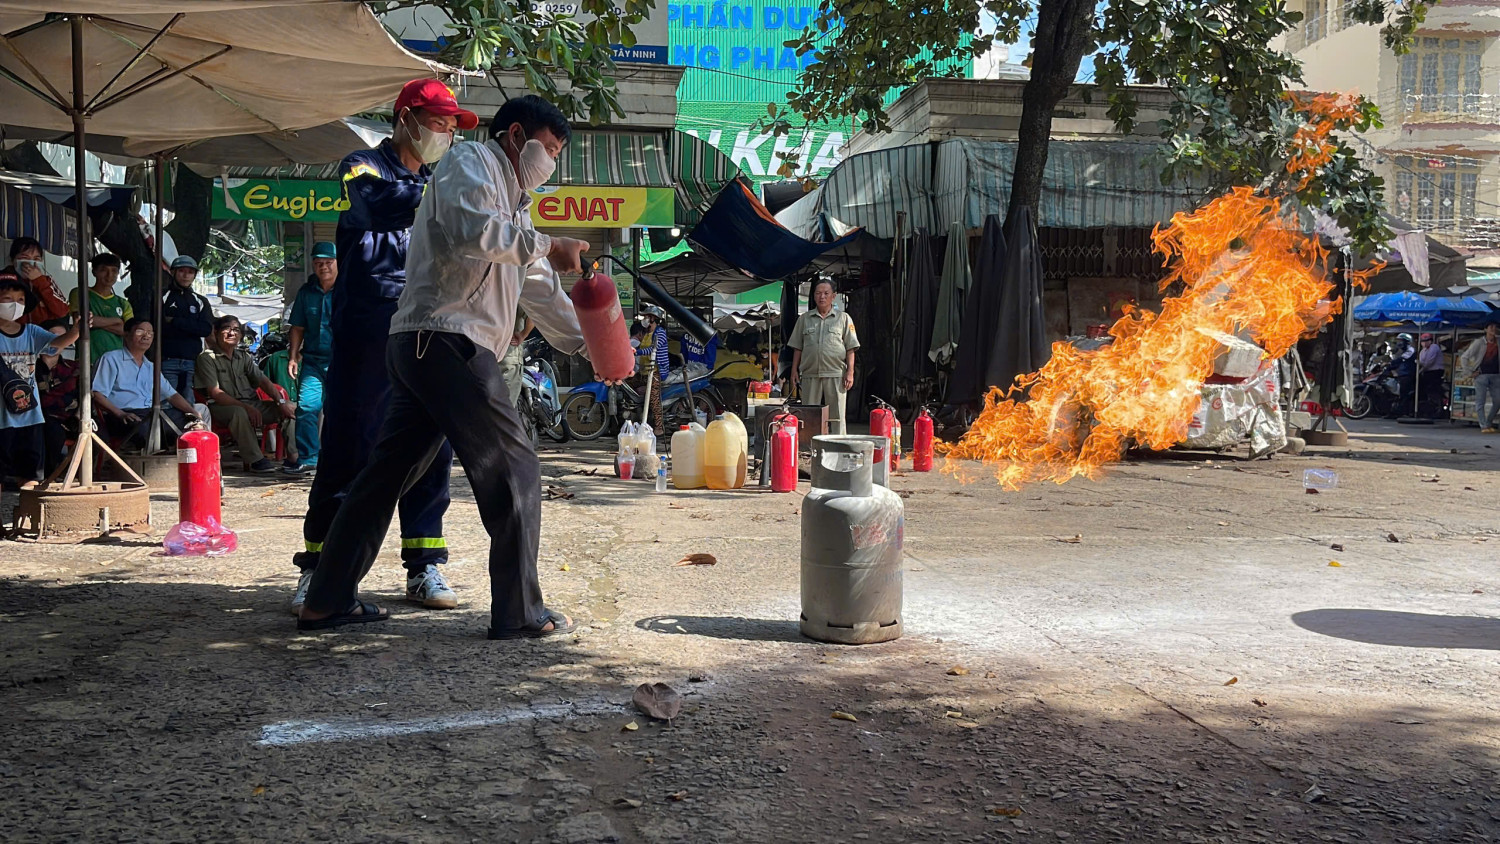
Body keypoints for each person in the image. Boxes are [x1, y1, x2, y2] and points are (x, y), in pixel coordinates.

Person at [298, 94, 598, 637]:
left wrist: (589, 345)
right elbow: (471, 232)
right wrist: (548, 244)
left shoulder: (515, 203)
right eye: (548, 149)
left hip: (430, 345)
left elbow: (536, 286)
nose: (550, 161)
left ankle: (326, 598)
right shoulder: (469, 164)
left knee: (386, 474)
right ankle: (520, 612)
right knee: (516, 468)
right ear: (514, 138)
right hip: (446, 341)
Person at [293, 79, 477, 615]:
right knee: (350, 443)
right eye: (437, 123)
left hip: (426, 325)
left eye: (450, 127)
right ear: (406, 120)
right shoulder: (363, 166)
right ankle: (321, 572)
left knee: (430, 444)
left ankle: (422, 564)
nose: (444, 134)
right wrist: (445, 198)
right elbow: (373, 206)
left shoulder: (440, 181)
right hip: (368, 329)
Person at [0, 274, 82, 489]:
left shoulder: (31, 332)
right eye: (7, 299)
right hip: (2, 418)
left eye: (20, 300)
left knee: (30, 473)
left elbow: (55, 345)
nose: (14, 305)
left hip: (30, 416)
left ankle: (27, 518)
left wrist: (75, 332)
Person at [195, 315, 300, 474]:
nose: (232, 333)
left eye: (236, 330)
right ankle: (256, 460)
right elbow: (215, 393)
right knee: (239, 412)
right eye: (227, 329)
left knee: (290, 408)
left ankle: (294, 457)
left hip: (251, 404)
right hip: (222, 407)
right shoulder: (207, 358)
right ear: (216, 332)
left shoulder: (243, 357)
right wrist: (246, 407)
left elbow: (263, 381)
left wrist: (281, 402)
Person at [92, 318, 202, 448]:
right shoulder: (111, 359)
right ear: (126, 334)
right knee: (147, 428)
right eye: (140, 331)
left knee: (189, 423)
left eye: (150, 333)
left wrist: (192, 412)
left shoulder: (151, 367)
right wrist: (120, 413)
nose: (146, 336)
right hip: (122, 414)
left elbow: (171, 395)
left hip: (150, 413)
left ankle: (191, 464)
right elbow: (97, 394)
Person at [286, 241, 338, 471]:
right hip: (313, 362)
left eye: (328, 262)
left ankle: (342, 459)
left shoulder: (350, 289)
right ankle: (308, 460)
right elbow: (297, 327)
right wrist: (293, 356)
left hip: (344, 361)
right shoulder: (306, 293)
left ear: (337, 263)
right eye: (318, 263)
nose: (323, 267)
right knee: (307, 407)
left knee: (344, 410)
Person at [789, 278, 860, 435]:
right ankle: (809, 446)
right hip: (810, 373)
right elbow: (797, 347)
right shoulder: (804, 319)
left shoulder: (843, 319)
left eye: (826, 293)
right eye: (818, 293)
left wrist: (850, 372)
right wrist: (794, 370)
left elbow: (851, 348)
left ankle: (838, 446)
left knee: (837, 415)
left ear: (833, 296)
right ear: (814, 296)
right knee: (809, 414)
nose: (822, 297)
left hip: (836, 373)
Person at [159, 254, 214, 400]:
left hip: (191, 362)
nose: (186, 275)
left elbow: (206, 329)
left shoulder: (200, 301)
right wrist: (191, 326)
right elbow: (159, 326)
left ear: (194, 275)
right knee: (165, 403)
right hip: (166, 360)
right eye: (182, 271)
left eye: (190, 272)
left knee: (188, 403)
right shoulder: (161, 296)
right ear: (173, 272)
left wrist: (176, 321)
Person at [68, 253, 133, 365]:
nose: (109, 275)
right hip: (87, 362)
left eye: (114, 271)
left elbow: (128, 331)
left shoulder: (123, 303)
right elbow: (81, 321)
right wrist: (117, 321)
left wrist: (96, 321)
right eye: (104, 270)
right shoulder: (80, 293)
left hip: (116, 363)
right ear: (94, 272)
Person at [35, 326, 79, 476]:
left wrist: (79, 416)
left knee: (100, 435)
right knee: (53, 434)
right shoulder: (30, 367)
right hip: (42, 416)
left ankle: (79, 476)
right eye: (52, 336)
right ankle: (49, 476)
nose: (58, 341)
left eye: (63, 337)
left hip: (71, 416)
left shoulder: (74, 367)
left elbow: (85, 395)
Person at [5, 237, 70, 328]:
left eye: (36, 259)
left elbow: (62, 311)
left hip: (42, 332)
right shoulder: (4, 280)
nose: (31, 263)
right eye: (25, 258)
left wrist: (39, 281)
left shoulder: (46, 281)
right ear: (13, 260)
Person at [633, 304, 668, 433]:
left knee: (653, 398)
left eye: (647, 317)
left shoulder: (660, 333)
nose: (645, 319)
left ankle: (660, 427)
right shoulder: (647, 333)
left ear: (654, 318)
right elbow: (642, 348)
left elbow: (652, 349)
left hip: (656, 372)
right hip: (645, 370)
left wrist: (636, 352)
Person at [1460, 323, 1500, 432]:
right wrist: (1470, 372)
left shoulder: (1498, 341)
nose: (1493, 329)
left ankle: (1488, 422)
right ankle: (1483, 425)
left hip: (1496, 375)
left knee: (1498, 400)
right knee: (1480, 401)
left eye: (1495, 327)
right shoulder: (1479, 343)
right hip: (1481, 375)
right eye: (1491, 327)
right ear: (1485, 329)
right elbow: (1464, 357)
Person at [500, 312, 534, 408]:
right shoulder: (515, 296)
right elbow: (533, 315)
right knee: (507, 406)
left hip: (483, 355)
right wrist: (523, 334)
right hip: (509, 355)